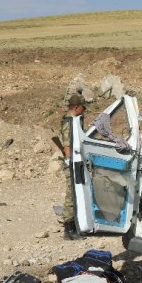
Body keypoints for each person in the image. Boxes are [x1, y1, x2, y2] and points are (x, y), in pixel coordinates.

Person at [60, 93, 87, 240]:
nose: (84, 110)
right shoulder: (69, 123)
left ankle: (76, 225)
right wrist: (70, 162)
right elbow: (67, 146)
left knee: (77, 193)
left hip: (75, 161)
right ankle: (68, 229)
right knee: (71, 195)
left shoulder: (75, 121)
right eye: (83, 107)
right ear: (76, 107)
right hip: (71, 162)